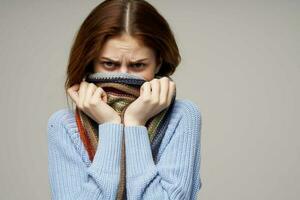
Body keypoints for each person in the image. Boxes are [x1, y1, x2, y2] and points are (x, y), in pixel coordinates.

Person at [47, 0, 203, 199]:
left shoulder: (182, 116)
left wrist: (135, 124)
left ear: (158, 63)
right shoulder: (63, 126)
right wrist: (111, 125)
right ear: (91, 62)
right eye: (109, 64)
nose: (123, 75)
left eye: (138, 65)